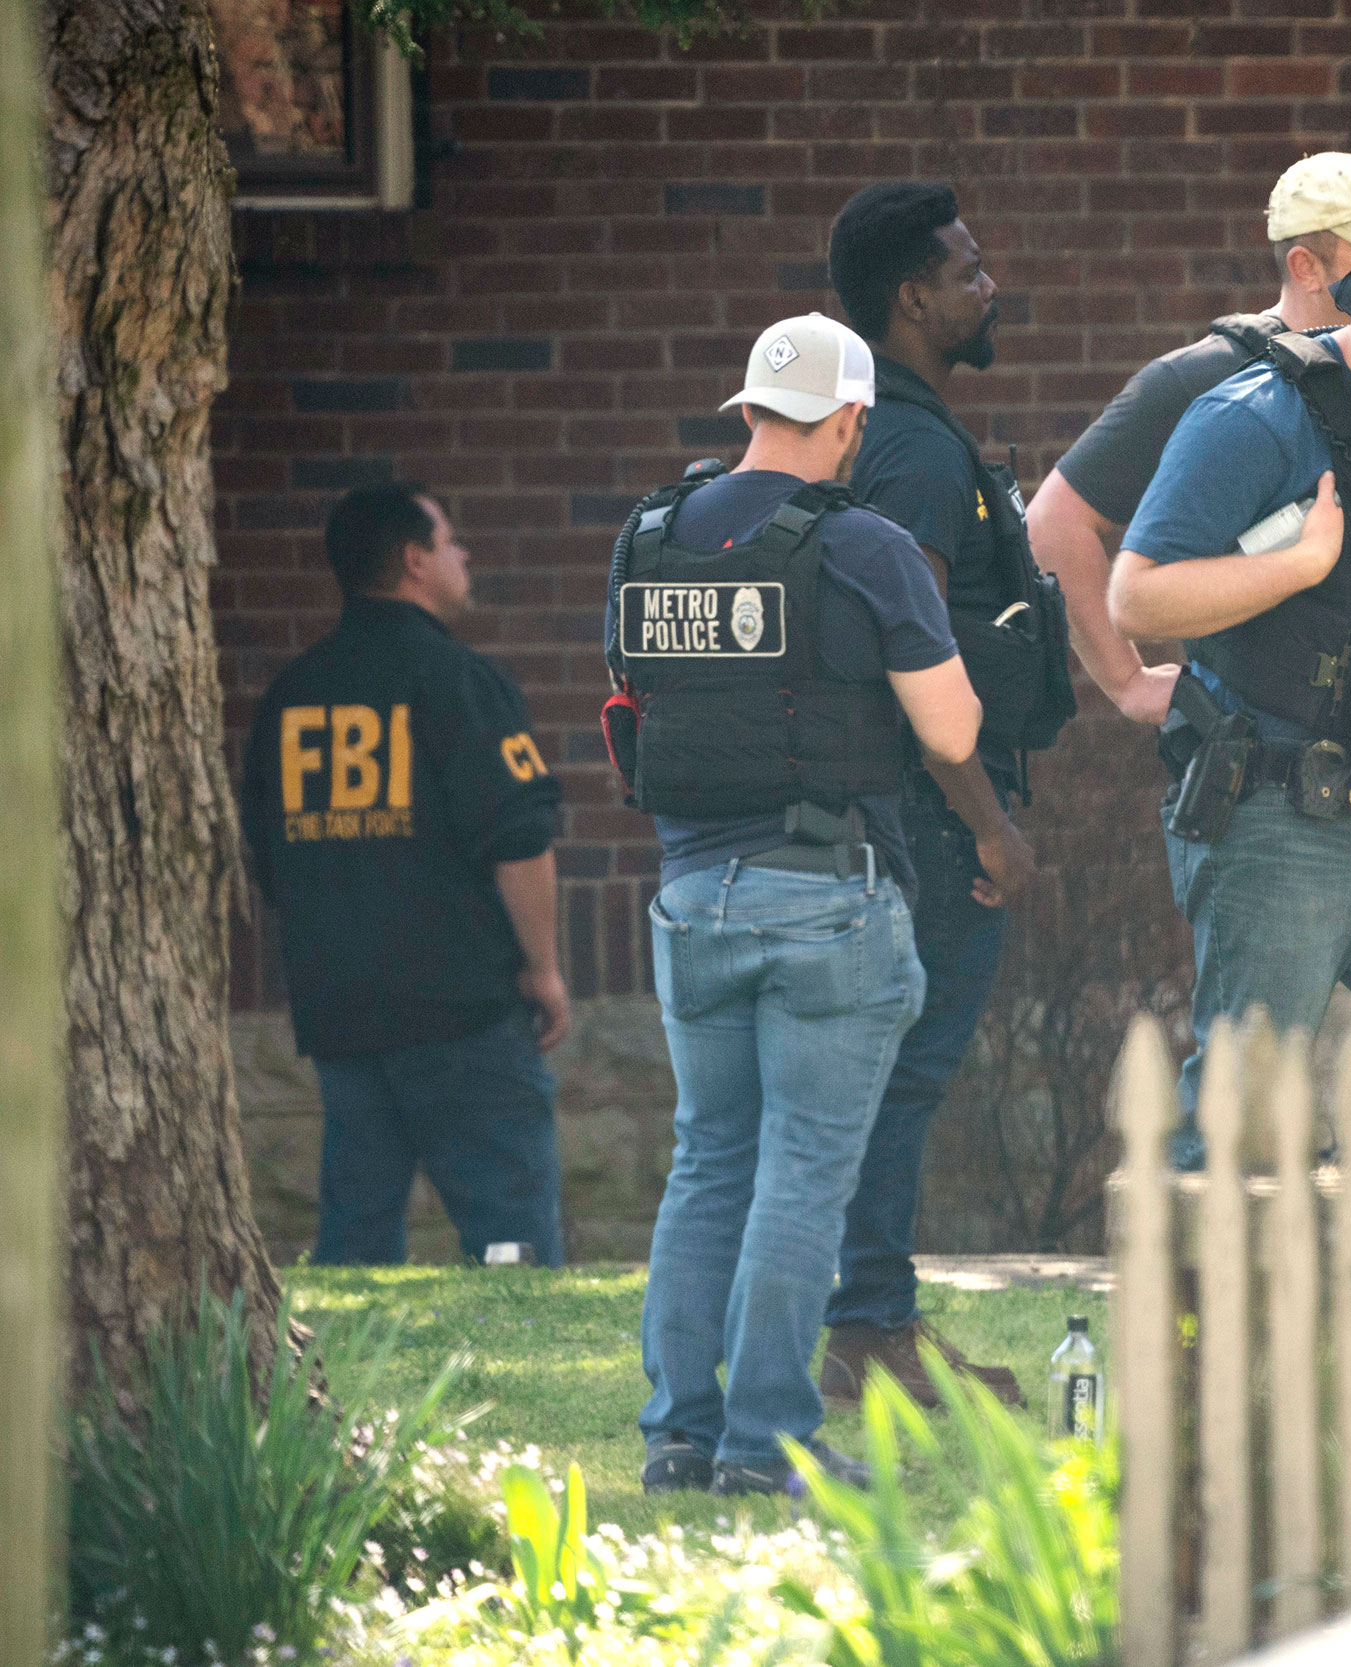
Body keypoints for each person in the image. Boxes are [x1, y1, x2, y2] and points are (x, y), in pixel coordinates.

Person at [1029, 156, 1351, 1165]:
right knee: (1245, 1113)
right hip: (1284, 812)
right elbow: (1136, 590)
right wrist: (1300, 561)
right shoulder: (1248, 413)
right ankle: (1196, 1319)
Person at [611, 313, 1033, 1497]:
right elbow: (950, 730)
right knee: (802, 1174)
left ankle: (679, 1435)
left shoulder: (647, 534)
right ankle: (766, 1442)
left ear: (746, 410)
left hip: (689, 894)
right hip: (824, 902)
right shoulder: (867, 543)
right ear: (849, 420)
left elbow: (638, 703)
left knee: (707, 1163)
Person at [817, 183, 1063, 1409]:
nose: (989, 285)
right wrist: (988, 822)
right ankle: (866, 1331)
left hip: (910, 811)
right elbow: (906, 643)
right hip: (931, 821)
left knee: (884, 1075)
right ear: (912, 299)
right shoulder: (912, 449)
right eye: (968, 270)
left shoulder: (901, 435)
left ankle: (870, 1319)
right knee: (901, 1076)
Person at [240, 483, 568, 1267]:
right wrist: (545, 969)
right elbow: (519, 839)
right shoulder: (457, 681)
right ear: (416, 560)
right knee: (509, 1233)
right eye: (452, 542)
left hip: (341, 1008)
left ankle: (343, 1375)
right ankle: (520, 1362)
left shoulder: (289, 696)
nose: (465, 557)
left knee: (355, 1237)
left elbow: (266, 853)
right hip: (461, 1006)